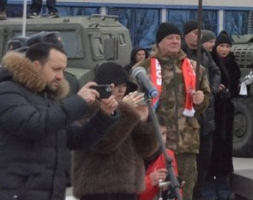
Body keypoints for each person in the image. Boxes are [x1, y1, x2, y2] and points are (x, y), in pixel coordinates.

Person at [0, 41, 119, 198]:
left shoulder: (47, 98)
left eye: (63, 70)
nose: (60, 76)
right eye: (56, 69)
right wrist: (78, 101)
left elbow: (77, 139)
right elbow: (34, 125)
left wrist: (103, 116)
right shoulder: (7, 90)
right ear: (36, 66)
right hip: (16, 193)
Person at [134, 22, 211, 199]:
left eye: (177, 38)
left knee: (185, 189)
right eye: (170, 38)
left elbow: (206, 98)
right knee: (155, 190)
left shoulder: (195, 68)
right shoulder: (143, 69)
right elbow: (134, 104)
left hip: (186, 142)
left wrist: (201, 100)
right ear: (159, 42)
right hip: (154, 144)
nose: (175, 41)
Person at [72, 62, 159, 199]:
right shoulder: (89, 107)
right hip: (98, 188)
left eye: (124, 86)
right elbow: (103, 144)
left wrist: (146, 120)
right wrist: (125, 110)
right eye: (116, 86)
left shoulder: (128, 109)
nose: (121, 90)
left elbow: (147, 149)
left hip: (129, 187)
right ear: (103, 87)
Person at [181, 20, 221, 199]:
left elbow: (216, 71)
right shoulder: (180, 54)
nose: (200, 37)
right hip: (187, 120)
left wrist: (210, 93)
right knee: (186, 169)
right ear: (187, 34)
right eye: (196, 33)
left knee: (203, 165)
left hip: (206, 118)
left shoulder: (203, 52)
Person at [206, 31, 241, 200]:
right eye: (222, 46)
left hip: (227, 110)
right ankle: (210, 186)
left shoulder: (233, 64)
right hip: (213, 111)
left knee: (226, 148)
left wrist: (234, 91)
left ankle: (224, 185)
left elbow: (237, 88)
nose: (225, 49)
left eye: (227, 46)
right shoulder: (210, 61)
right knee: (212, 148)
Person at [141, 116, 180, 200]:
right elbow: (124, 188)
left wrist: (170, 188)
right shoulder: (133, 154)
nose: (162, 138)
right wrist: (149, 181)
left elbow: (178, 191)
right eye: (157, 134)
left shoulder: (167, 155)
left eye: (164, 133)